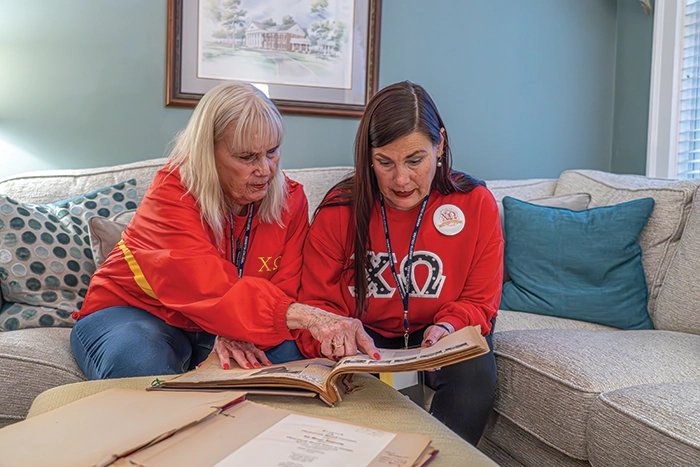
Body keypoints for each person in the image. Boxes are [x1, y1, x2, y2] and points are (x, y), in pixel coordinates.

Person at [70, 81, 379, 380]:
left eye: (272, 152)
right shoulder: (170, 192)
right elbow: (207, 287)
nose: (265, 169)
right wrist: (310, 318)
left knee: (295, 363)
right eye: (247, 157)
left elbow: (286, 289)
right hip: (136, 311)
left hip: (223, 321)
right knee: (141, 360)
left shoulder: (290, 199)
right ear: (208, 151)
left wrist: (240, 329)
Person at [294, 81, 504, 445]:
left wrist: (449, 326)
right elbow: (316, 305)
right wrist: (332, 338)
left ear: (439, 145)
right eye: (385, 163)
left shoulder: (475, 203)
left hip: (440, 335)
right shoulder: (339, 209)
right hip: (364, 339)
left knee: (477, 371)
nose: (401, 180)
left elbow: (480, 301)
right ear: (367, 157)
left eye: (415, 160)